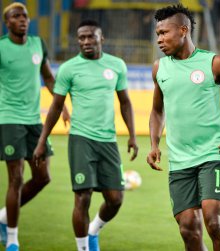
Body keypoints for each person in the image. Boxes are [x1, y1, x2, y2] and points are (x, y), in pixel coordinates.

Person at [146, 4, 220, 251]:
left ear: (183, 30)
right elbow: (157, 110)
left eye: (164, 33)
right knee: (188, 230)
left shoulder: (215, 63)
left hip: (211, 155)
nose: (160, 39)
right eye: (157, 34)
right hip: (180, 161)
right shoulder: (159, 68)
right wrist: (154, 144)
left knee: (214, 224)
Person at [33, 19, 138, 251]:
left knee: (115, 199)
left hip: (108, 141)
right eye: (81, 38)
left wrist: (132, 135)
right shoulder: (69, 69)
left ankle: (94, 229)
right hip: (81, 140)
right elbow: (56, 107)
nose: (86, 41)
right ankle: (82, 248)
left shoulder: (117, 65)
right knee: (83, 197)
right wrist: (42, 141)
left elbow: (126, 103)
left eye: (91, 36)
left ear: (102, 39)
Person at [0, 3, 70, 251]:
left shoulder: (37, 44)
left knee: (43, 177)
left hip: (33, 121)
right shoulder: (1, 48)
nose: (22, 20)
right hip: (8, 118)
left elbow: (49, 77)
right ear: (6, 22)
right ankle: (12, 239)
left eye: (25, 16)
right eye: (16, 17)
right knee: (16, 178)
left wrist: (60, 104)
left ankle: (3, 217)